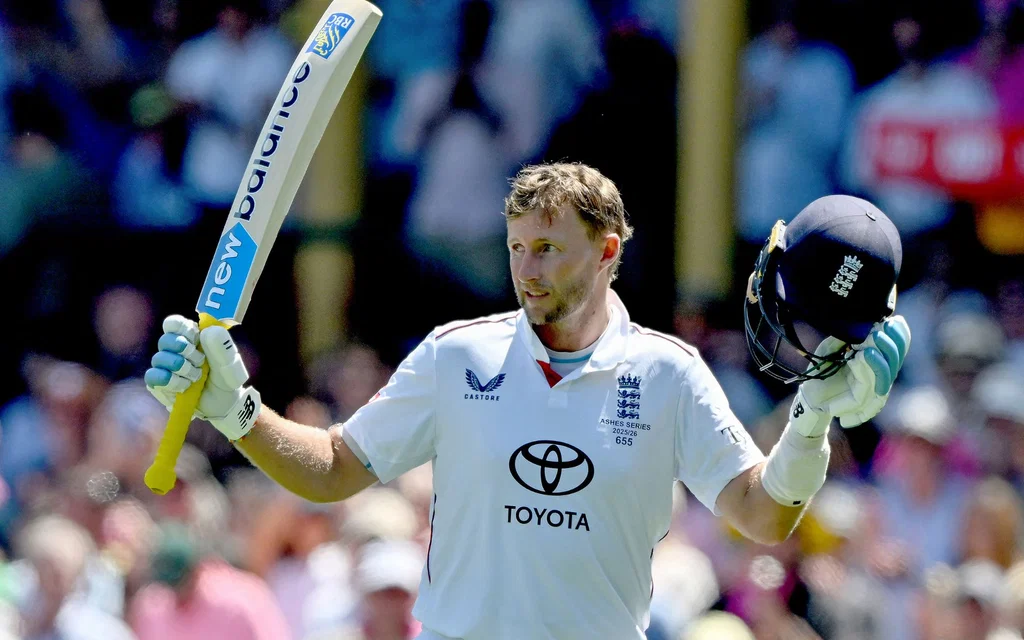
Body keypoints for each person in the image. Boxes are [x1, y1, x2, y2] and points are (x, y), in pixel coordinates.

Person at [144, 163, 910, 639]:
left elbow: (765, 515)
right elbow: (334, 469)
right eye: (516, 247)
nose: (525, 269)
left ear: (607, 251)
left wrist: (813, 415)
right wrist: (234, 411)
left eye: (547, 249)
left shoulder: (667, 374)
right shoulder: (456, 354)